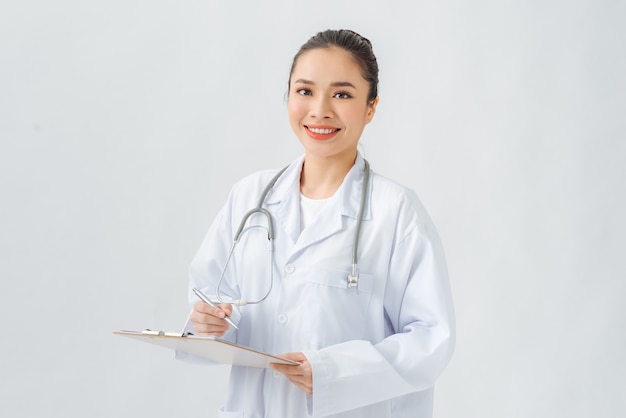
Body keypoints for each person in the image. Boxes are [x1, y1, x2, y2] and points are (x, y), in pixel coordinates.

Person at [181, 29, 455, 418]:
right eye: (305, 91)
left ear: (371, 107)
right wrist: (209, 322)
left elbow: (431, 340)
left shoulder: (397, 211)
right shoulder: (250, 197)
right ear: (288, 97)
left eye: (342, 94)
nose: (320, 110)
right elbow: (215, 299)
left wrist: (334, 373)